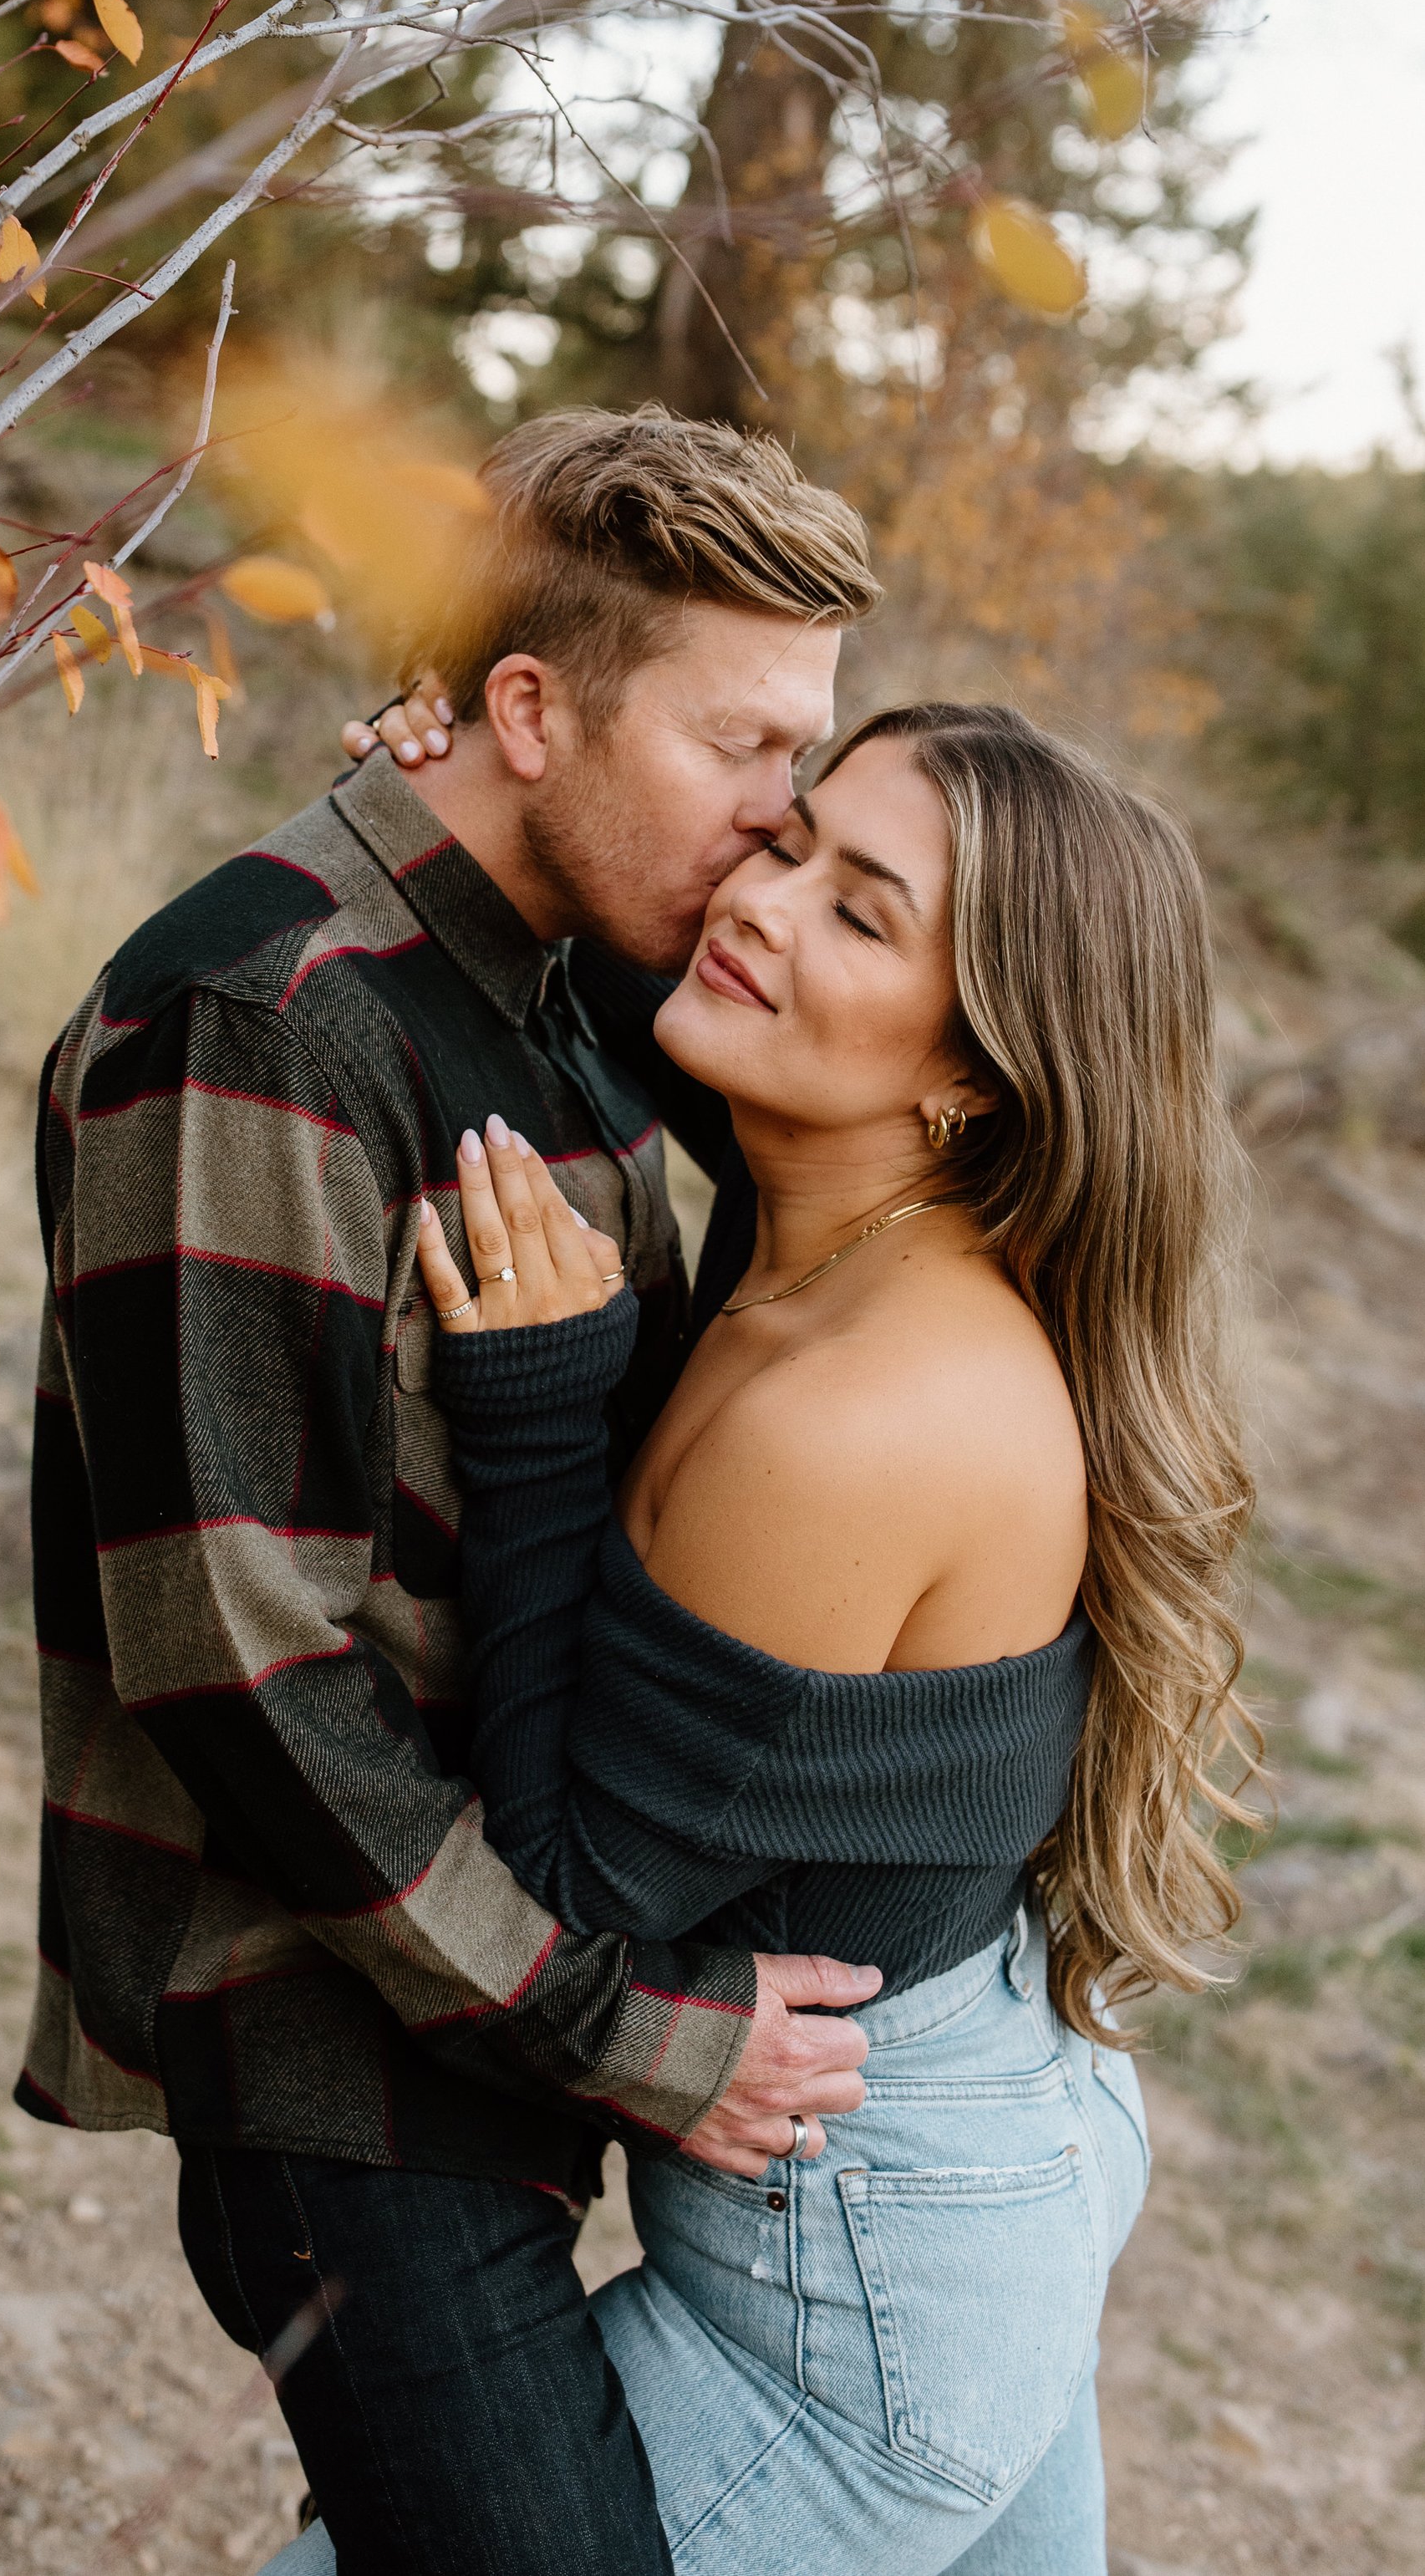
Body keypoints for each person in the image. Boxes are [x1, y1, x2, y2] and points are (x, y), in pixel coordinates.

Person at [18, 406, 892, 2576]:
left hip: (491, 2005)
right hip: (341, 2050)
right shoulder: (260, 1011)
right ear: (524, 706)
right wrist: (620, 2022)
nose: (780, 820)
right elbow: (233, 1654)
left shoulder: (564, 982)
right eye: (742, 745)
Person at [276, 702, 1259, 2573]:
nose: (761, 908)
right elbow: (568, 978)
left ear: (976, 1072)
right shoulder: (835, 1208)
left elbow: (574, 1905)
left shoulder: (855, 1419)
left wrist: (546, 1416)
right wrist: (477, 776)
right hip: (983, 2127)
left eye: (859, 915)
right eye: (790, 840)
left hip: (864, 2298)